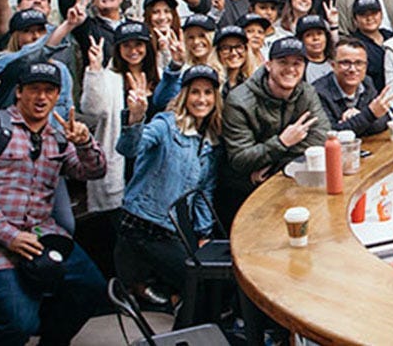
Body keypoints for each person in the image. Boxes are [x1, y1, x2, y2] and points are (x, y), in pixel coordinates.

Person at [0, 63, 107, 346]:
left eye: (49, 90)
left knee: (92, 288)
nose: (41, 97)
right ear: (19, 92)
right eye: (34, 89)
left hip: (41, 235)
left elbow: (92, 172)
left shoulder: (59, 135)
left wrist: (85, 142)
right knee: (19, 323)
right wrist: (9, 236)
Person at [114, 65, 220, 310]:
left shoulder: (211, 139)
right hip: (143, 225)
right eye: (195, 92)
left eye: (207, 92)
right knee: (196, 283)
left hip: (174, 228)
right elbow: (129, 149)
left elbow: (204, 193)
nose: (201, 99)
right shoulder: (166, 124)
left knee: (210, 282)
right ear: (184, 95)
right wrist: (135, 118)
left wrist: (204, 234)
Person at [219, 38, 330, 226]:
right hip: (245, 192)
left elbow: (321, 136)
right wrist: (282, 142)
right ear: (268, 65)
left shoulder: (306, 92)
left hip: (283, 177)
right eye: (283, 62)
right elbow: (240, 158)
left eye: (297, 63)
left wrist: (277, 160)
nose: (290, 69)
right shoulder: (239, 100)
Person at [81, 21, 159, 215]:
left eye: (138, 44)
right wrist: (95, 69)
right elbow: (93, 110)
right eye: (126, 45)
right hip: (122, 164)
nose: (133, 50)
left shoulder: (159, 75)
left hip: (153, 163)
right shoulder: (109, 77)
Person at [313, 39, 393, 137]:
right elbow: (330, 135)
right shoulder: (318, 92)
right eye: (345, 63)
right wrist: (367, 115)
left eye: (359, 63)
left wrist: (358, 118)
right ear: (333, 65)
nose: (352, 69)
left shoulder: (366, 83)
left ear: (366, 66)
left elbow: (383, 121)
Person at [346, 0, 393, 92]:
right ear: (355, 20)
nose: (369, 18)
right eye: (363, 15)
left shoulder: (392, 37)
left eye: (374, 13)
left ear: (381, 15)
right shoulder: (353, 44)